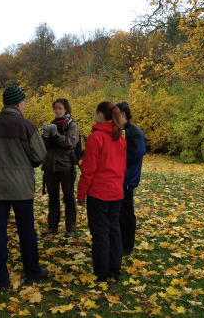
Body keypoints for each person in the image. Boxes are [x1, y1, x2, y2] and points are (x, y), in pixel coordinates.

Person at [0, 85, 49, 292]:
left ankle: (0, 279)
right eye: (24, 102)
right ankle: (32, 272)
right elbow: (39, 156)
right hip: (21, 187)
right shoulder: (27, 126)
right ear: (18, 103)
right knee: (26, 230)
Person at [77, 101, 126, 283]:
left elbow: (88, 169)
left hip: (100, 193)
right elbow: (121, 167)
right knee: (114, 229)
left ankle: (102, 272)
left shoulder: (96, 137)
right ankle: (114, 268)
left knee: (100, 232)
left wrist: (81, 194)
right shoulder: (119, 137)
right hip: (116, 191)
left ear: (100, 114)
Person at [41, 98, 80, 237]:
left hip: (65, 166)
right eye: (56, 108)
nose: (57, 111)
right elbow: (43, 147)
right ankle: (52, 226)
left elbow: (70, 143)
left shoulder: (72, 125)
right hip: (50, 165)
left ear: (66, 110)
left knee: (68, 197)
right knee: (53, 197)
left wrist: (56, 135)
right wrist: (45, 135)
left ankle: (71, 227)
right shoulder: (51, 124)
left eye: (60, 108)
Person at [115, 102, 146, 257]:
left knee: (126, 213)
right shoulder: (118, 131)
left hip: (127, 179)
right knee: (117, 213)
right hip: (116, 179)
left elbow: (136, 154)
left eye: (116, 114)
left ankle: (128, 246)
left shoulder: (134, 132)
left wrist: (116, 154)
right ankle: (118, 243)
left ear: (123, 115)